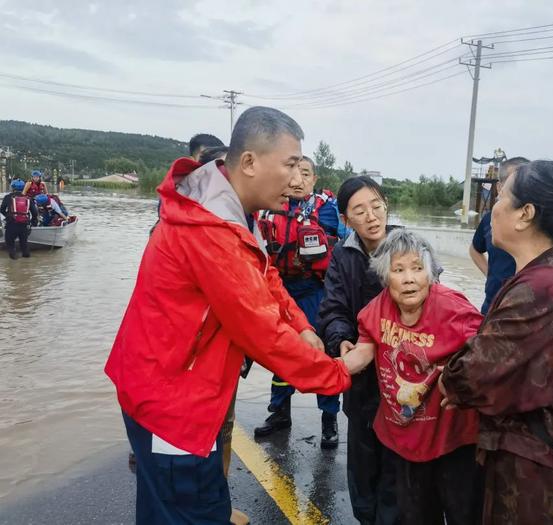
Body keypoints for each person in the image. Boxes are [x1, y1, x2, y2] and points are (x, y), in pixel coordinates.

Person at [104, 106, 352, 525]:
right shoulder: (210, 231)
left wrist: (303, 326)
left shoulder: (231, 210)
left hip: (170, 383)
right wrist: (341, 373)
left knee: (172, 504)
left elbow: (267, 275)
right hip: (173, 403)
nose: (297, 179)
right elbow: (262, 334)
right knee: (186, 508)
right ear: (250, 162)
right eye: (290, 164)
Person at [439, 160, 553, 524]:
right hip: (536, 463)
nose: (493, 210)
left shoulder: (544, 287)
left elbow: (469, 377)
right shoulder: (552, 274)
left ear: (525, 214)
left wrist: (449, 380)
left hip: (538, 478)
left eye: (500, 198)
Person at [341, 229, 484, 524]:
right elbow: (361, 354)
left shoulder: (453, 308)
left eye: (418, 268)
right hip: (403, 438)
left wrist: (462, 371)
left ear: (430, 273)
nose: (409, 278)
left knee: (463, 514)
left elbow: (489, 350)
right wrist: (321, 369)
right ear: (385, 276)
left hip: (453, 441)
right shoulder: (376, 310)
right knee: (415, 515)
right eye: (399, 270)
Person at [318, 175, 401, 524]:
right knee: (363, 465)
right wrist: (340, 340)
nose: (371, 216)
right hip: (362, 374)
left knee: (399, 470)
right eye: (359, 210)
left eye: (376, 205)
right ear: (346, 218)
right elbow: (333, 307)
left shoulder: (408, 247)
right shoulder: (343, 252)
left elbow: (435, 310)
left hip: (402, 378)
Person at [254, 156, 343, 448]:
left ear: (314, 179)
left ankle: (329, 420)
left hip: (315, 290)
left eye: (306, 173)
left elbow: (333, 242)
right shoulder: (269, 207)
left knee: (324, 355)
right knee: (281, 353)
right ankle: (279, 412)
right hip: (280, 289)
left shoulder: (325, 210)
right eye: (293, 171)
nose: (299, 179)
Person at [469, 157, 529, 313]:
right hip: (492, 305)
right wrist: (490, 275)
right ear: (499, 187)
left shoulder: (537, 222)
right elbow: (475, 250)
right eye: (514, 182)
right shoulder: (489, 220)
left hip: (525, 308)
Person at [1, 179, 38, 259]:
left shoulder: (8, 197)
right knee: (24, 245)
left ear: (12, 188)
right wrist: (32, 221)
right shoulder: (28, 198)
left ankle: (14, 262)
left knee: (10, 244)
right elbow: (35, 213)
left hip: (11, 224)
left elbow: (2, 209)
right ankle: (26, 265)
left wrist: (8, 216)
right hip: (24, 225)